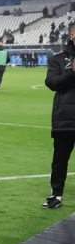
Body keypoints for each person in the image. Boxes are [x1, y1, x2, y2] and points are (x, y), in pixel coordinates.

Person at [44, 20, 75, 209]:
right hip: (66, 117)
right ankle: (56, 195)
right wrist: (72, 73)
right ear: (72, 35)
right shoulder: (58, 59)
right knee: (60, 160)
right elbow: (52, 82)